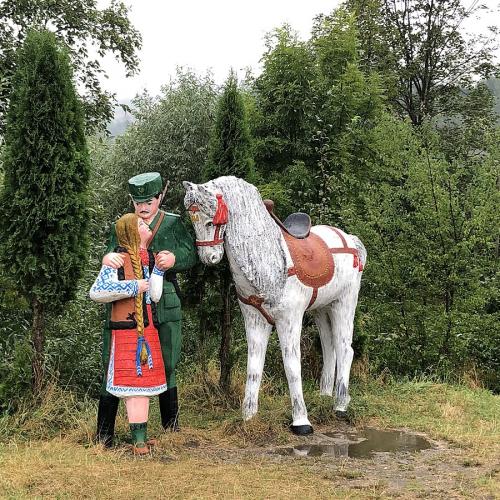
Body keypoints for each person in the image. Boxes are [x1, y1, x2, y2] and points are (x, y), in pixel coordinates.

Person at [95, 172, 198, 448]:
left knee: (168, 360)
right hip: (125, 309)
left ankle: (170, 425)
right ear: (131, 200)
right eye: (137, 202)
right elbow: (107, 256)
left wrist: (175, 258)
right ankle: (104, 434)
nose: (143, 207)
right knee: (114, 363)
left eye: (148, 202)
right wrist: (107, 257)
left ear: (159, 198)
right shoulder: (122, 225)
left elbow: (191, 254)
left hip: (165, 303)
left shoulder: (173, 224)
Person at [90, 213, 167, 454]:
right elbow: (98, 292)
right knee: (133, 385)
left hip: (147, 328)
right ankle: (138, 441)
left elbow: (154, 295)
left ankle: (141, 435)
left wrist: (159, 272)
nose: (147, 227)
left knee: (144, 384)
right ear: (131, 232)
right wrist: (133, 286)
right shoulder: (116, 260)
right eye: (142, 225)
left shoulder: (148, 259)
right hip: (127, 331)